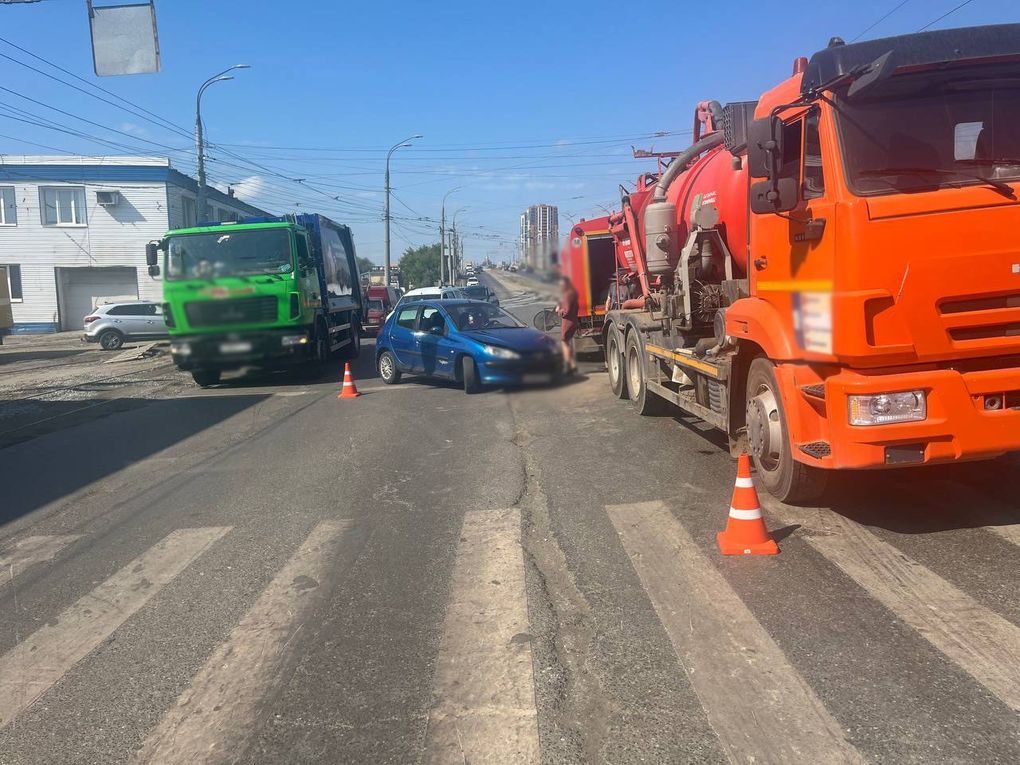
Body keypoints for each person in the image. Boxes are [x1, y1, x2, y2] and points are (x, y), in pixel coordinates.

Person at [556, 275, 579, 374]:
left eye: (561, 284)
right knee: (567, 342)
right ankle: (572, 365)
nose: (560, 286)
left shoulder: (567, 294)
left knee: (564, 342)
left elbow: (566, 311)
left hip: (568, 321)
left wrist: (559, 311)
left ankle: (568, 366)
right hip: (573, 319)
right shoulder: (572, 293)